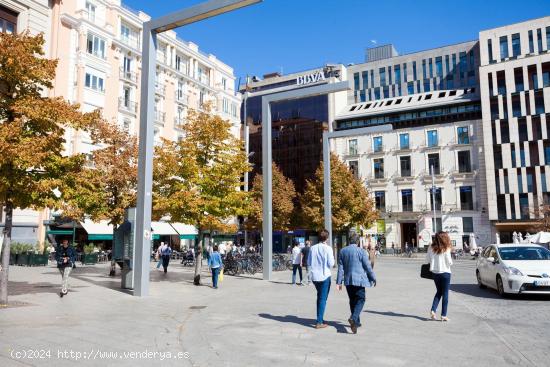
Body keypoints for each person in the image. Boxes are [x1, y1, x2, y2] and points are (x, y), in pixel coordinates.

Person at [336, 232, 376, 334]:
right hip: (359, 280)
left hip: (348, 280)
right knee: (361, 299)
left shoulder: (343, 251)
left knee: (352, 300)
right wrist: (373, 277)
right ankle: (353, 318)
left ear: (349, 240)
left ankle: (356, 322)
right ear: (358, 241)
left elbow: (340, 268)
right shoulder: (361, 251)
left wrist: (339, 282)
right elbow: (367, 266)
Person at [307, 229, 335, 329]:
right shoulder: (328, 248)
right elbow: (331, 264)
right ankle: (319, 322)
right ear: (327, 238)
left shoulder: (312, 248)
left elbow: (309, 262)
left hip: (315, 276)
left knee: (320, 297)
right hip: (325, 276)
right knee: (323, 298)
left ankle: (320, 317)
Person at [426, 232, 453, 321]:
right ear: (444, 238)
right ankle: (443, 315)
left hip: (435, 273)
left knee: (439, 292)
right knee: (445, 293)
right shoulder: (446, 247)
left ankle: (433, 310)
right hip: (445, 273)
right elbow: (449, 262)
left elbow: (427, 260)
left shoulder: (430, 247)